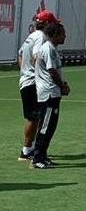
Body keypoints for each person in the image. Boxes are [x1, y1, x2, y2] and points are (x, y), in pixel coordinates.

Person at [17, 10, 59, 162]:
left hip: (26, 80)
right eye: (53, 22)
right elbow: (37, 57)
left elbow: (20, 54)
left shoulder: (31, 36)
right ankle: (28, 150)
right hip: (33, 82)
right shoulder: (41, 37)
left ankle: (30, 148)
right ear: (47, 24)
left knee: (33, 117)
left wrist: (24, 71)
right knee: (34, 118)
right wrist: (38, 74)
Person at [30, 22, 68, 169]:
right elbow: (52, 71)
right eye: (62, 33)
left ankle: (43, 156)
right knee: (46, 126)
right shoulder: (48, 49)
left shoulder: (51, 48)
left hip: (53, 92)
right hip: (48, 94)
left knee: (51, 126)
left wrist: (63, 84)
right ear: (55, 34)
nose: (65, 36)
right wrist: (62, 86)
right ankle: (37, 158)